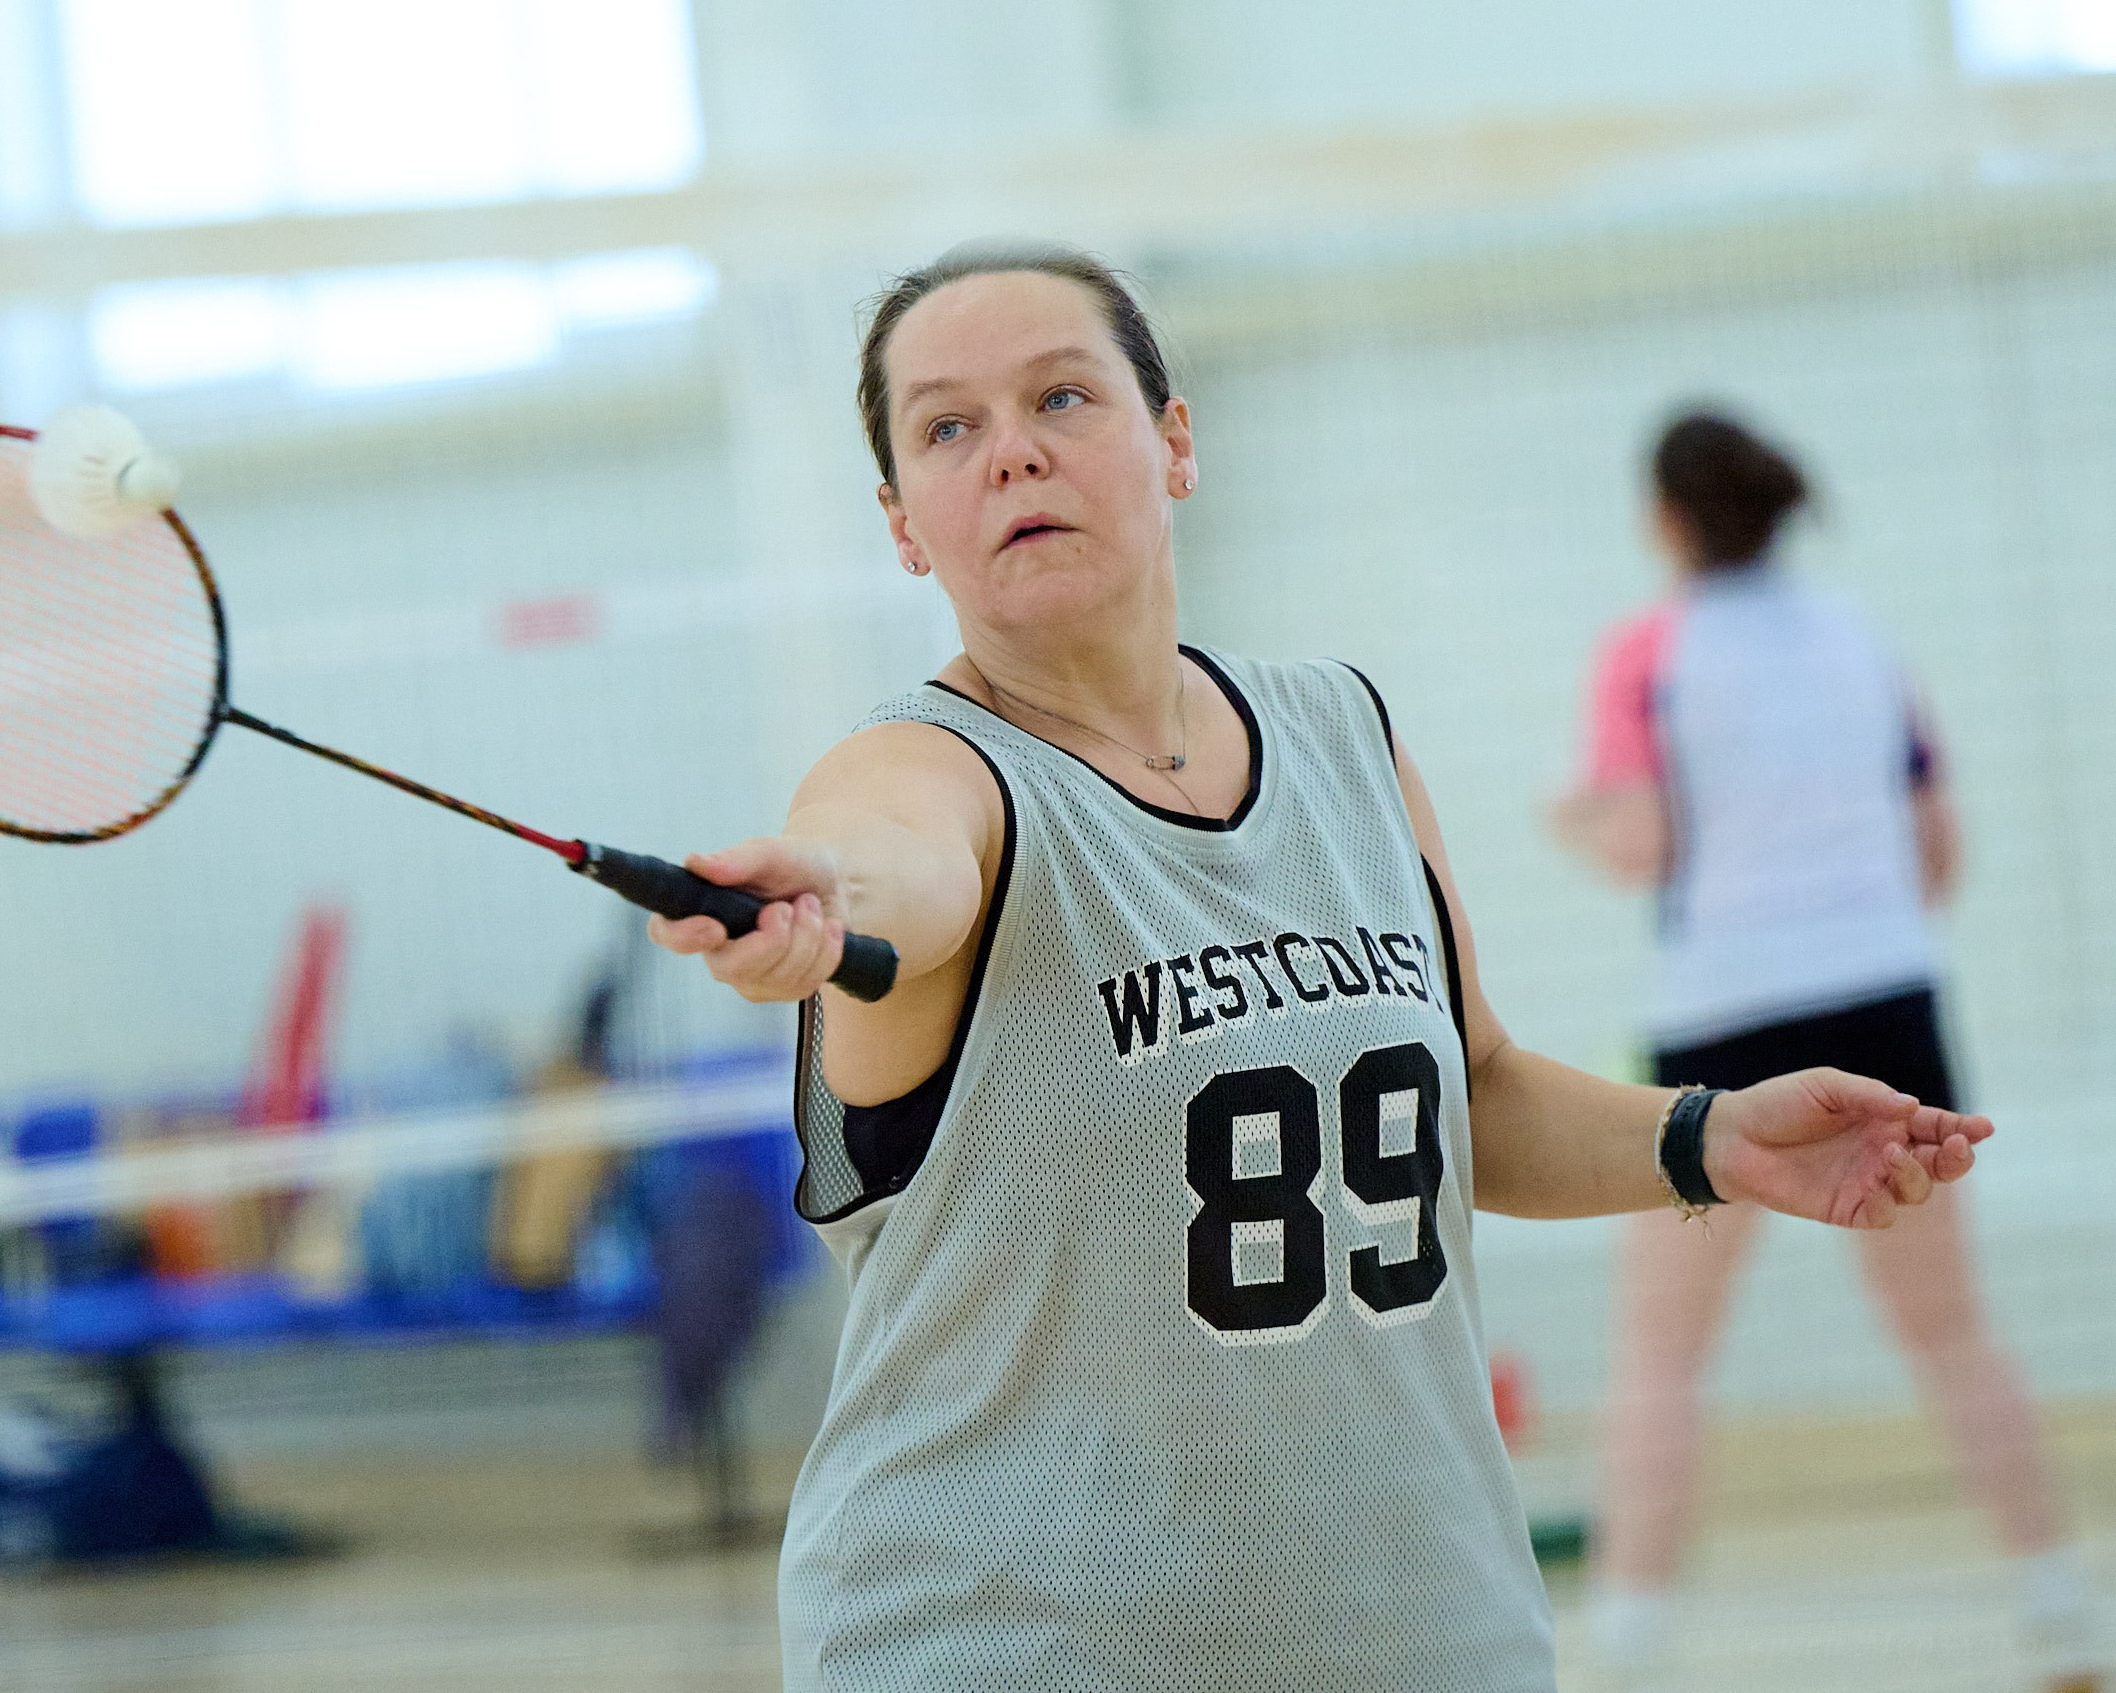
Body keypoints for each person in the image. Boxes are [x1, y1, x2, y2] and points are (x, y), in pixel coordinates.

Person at [645, 244, 1989, 1691]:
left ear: (1174, 440)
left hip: (1419, 1628)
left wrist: (1711, 1135)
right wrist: (827, 890)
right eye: (949, 427)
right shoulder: (920, 771)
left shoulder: (1343, 734)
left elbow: (1471, 1091)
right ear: (905, 522)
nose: (1014, 452)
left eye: (1062, 395)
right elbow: (896, 854)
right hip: (1019, 1642)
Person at [1553, 411, 2103, 1692]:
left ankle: (1626, 1652)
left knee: (1660, 1349)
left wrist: (1573, 815)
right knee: (1953, 1335)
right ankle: (2063, 1616)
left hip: (1722, 1019)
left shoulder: (1648, 650)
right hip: (1885, 1006)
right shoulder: (1863, 642)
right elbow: (1937, 855)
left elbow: (1637, 845)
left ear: (1667, 520)